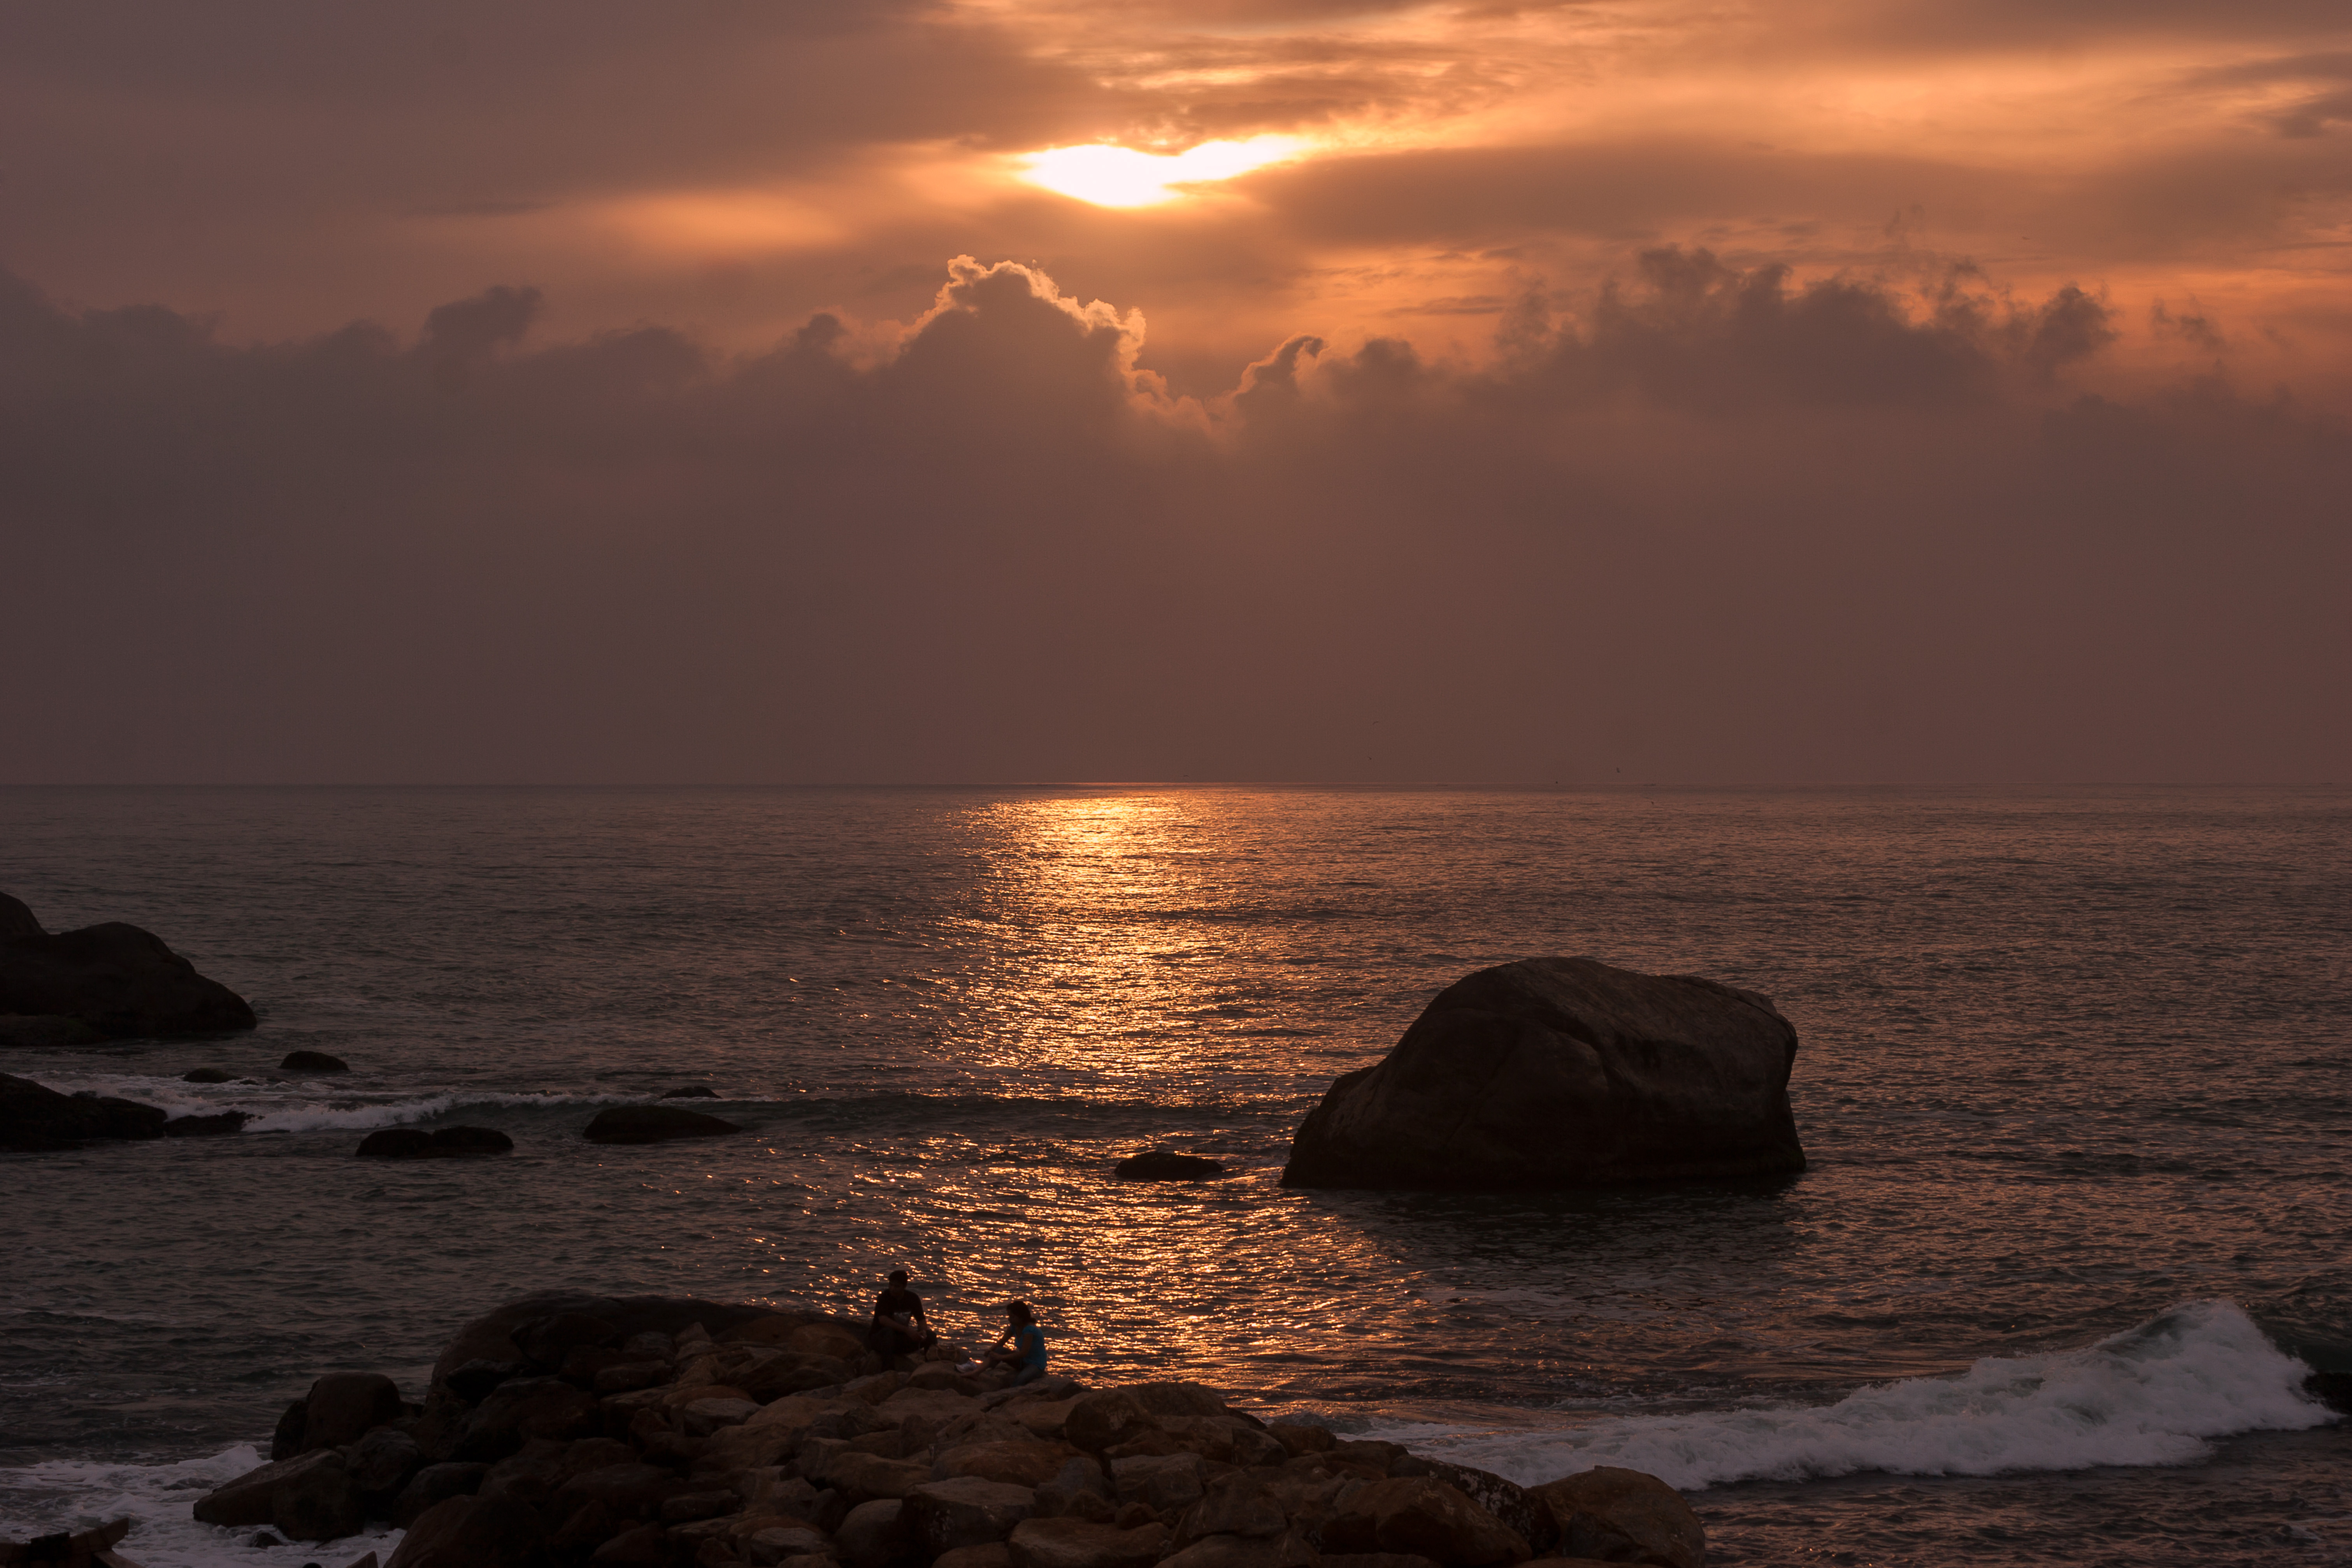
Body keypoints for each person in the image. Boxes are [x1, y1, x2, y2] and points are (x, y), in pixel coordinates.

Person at [868, 1269, 935, 1360]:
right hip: (881, 1339)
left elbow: (921, 1320)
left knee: (931, 1335)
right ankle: (888, 1370)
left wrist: (923, 1332)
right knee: (889, 1333)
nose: (893, 1289)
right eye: (891, 1285)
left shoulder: (913, 1298)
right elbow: (883, 1320)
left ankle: (930, 1365)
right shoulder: (884, 1298)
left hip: (900, 1340)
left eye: (897, 1287)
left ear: (904, 1286)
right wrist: (908, 1331)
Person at [982, 1300, 1047, 1386]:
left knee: (1019, 1380)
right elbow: (1002, 1341)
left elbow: (1023, 1353)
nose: (1009, 1319)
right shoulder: (1014, 1327)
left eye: (1012, 1317)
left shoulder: (1030, 1330)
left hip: (1036, 1364)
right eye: (1009, 1316)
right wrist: (991, 1350)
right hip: (1023, 1361)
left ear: (1021, 1317)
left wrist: (1002, 1357)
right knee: (999, 1350)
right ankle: (980, 1371)